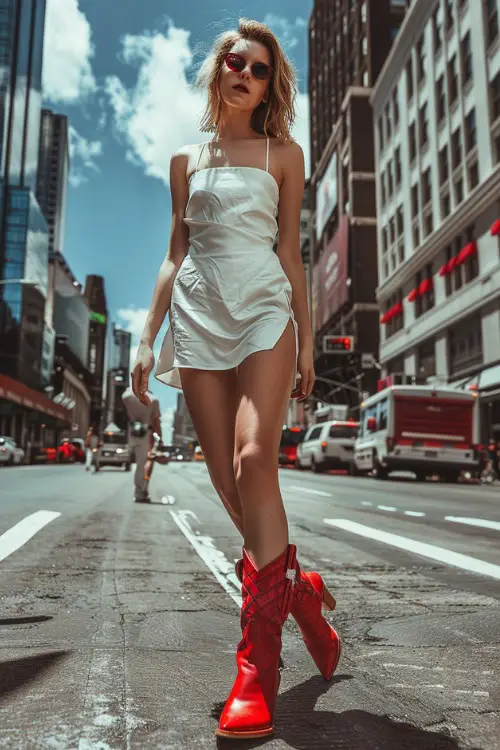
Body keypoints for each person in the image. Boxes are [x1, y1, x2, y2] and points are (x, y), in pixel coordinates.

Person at [131, 19, 341, 740]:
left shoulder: (284, 153)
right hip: (198, 313)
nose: (243, 71)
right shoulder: (185, 159)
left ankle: (257, 663)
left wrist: (307, 341)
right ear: (218, 71)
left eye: (258, 65)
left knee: (257, 462)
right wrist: (142, 333)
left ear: (268, 83)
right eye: (233, 60)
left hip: (263, 311)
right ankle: (298, 591)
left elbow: (291, 252)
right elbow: (172, 253)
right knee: (226, 480)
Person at [122, 385, 162, 503]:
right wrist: (160, 437)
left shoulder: (127, 396)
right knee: (141, 464)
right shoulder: (153, 399)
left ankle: (139, 490)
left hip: (131, 432)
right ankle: (140, 492)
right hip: (145, 434)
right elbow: (156, 420)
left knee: (133, 462)